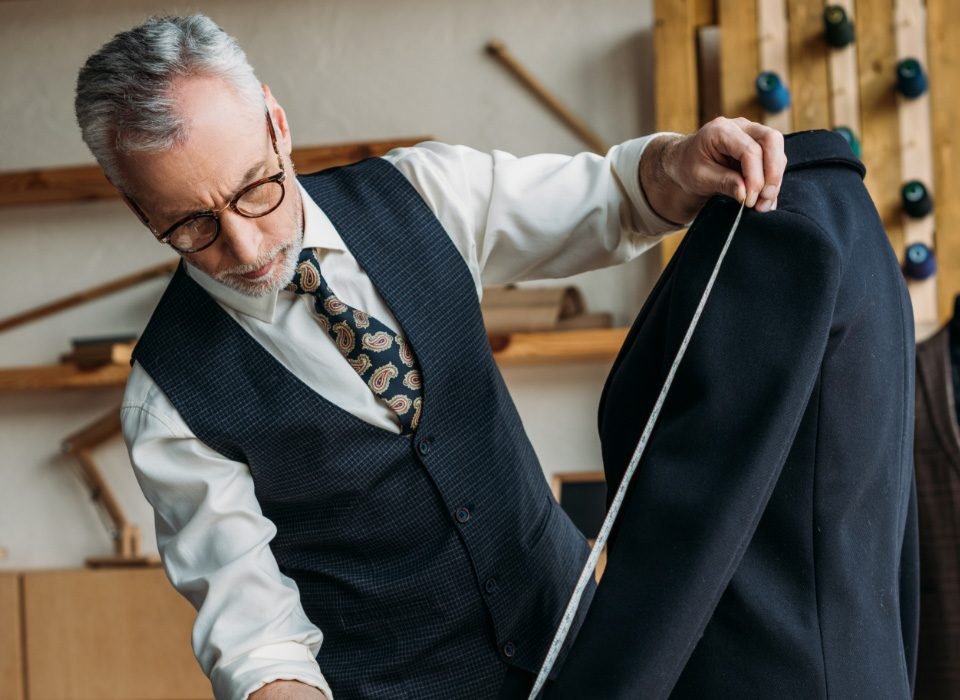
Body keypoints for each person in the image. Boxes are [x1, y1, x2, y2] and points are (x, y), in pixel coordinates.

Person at [74, 14, 786, 700]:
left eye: (255, 189)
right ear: (140, 211)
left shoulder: (425, 194)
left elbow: (619, 195)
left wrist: (679, 161)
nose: (245, 246)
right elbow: (256, 637)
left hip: (586, 647)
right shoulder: (166, 401)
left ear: (277, 124)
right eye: (192, 226)